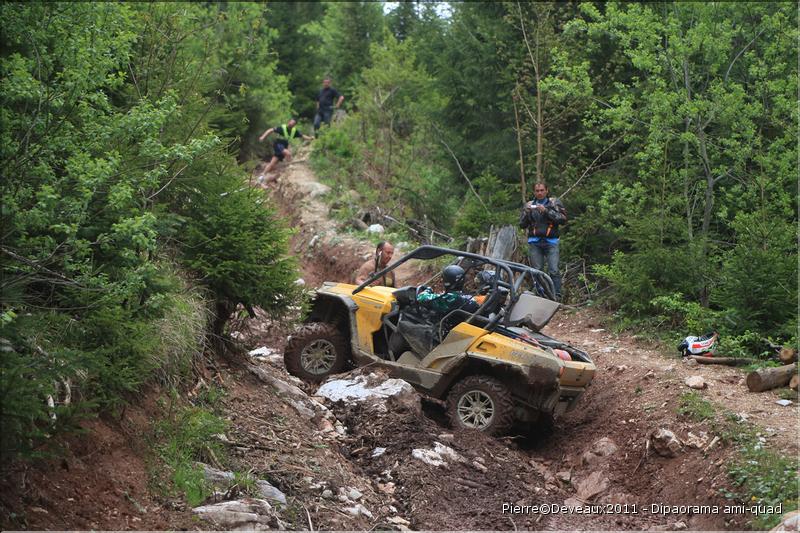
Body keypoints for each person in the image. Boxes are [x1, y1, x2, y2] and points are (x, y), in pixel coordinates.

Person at [519, 182, 567, 300]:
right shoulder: (529, 204)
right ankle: (540, 295)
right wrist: (527, 213)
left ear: (546, 190)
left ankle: (557, 296)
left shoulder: (554, 203)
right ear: (534, 192)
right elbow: (522, 225)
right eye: (537, 191)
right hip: (535, 242)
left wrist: (546, 211)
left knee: (554, 270)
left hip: (551, 241)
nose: (539, 193)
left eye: (541, 190)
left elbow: (562, 219)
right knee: (537, 271)